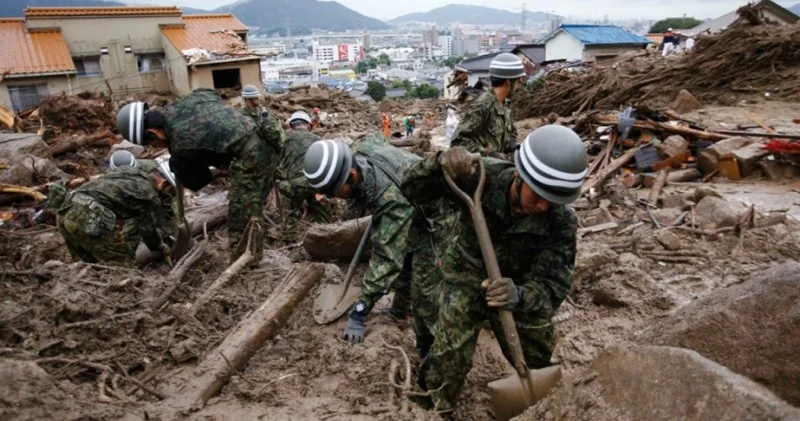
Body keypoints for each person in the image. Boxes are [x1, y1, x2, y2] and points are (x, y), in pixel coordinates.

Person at [401, 125, 587, 413]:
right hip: (467, 272)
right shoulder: (479, 176)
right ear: (518, 175)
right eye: (537, 196)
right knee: (450, 353)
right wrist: (438, 165)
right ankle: (436, 405)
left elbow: (553, 286)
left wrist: (521, 296)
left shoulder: (561, 222)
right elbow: (411, 189)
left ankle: (542, 410)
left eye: (552, 201)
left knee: (537, 356)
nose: (541, 207)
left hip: (517, 286)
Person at [303, 135, 449, 349]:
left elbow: (387, 258)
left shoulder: (387, 197)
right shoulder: (356, 151)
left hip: (437, 213)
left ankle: (431, 351)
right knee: (405, 254)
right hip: (410, 202)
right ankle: (399, 311)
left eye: (335, 192)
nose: (334, 198)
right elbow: (377, 138)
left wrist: (361, 309)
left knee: (424, 290)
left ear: (351, 176)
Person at [116, 89, 285, 262]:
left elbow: (199, 181)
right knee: (253, 206)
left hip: (253, 157)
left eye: (152, 143)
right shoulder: (187, 102)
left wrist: (180, 166)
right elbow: (212, 94)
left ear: (153, 132)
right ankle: (256, 249)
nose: (156, 147)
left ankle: (247, 266)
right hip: (268, 139)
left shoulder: (180, 146)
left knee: (239, 221)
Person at [48, 151, 178, 268]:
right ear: (163, 182)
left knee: (88, 266)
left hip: (64, 210)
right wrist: (160, 247)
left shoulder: (128, 173)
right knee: (123, 266)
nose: (167, 194)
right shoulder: (149, 193)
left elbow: (134, 219)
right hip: (87, 215)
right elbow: (147, 229)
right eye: (170, 189)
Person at [450, 53, 525, 158]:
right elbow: (458, 142)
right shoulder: (482, 106)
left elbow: (508, 137)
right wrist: (488, 155)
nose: (519, 85)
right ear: (508, 82)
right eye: (518, 81)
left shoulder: (505, 106)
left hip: (499, 168)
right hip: (483, 170)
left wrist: (515, 148)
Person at [276, 110, 330, 235]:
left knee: (289, 213)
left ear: (292, 125)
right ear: (307, 124)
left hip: (294, 186)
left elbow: (277, 162)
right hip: (315, 183)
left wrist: (281, 181)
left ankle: (288, 244)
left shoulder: (285, 139)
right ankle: (329, 236)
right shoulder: (317, 139)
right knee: (323, 214)